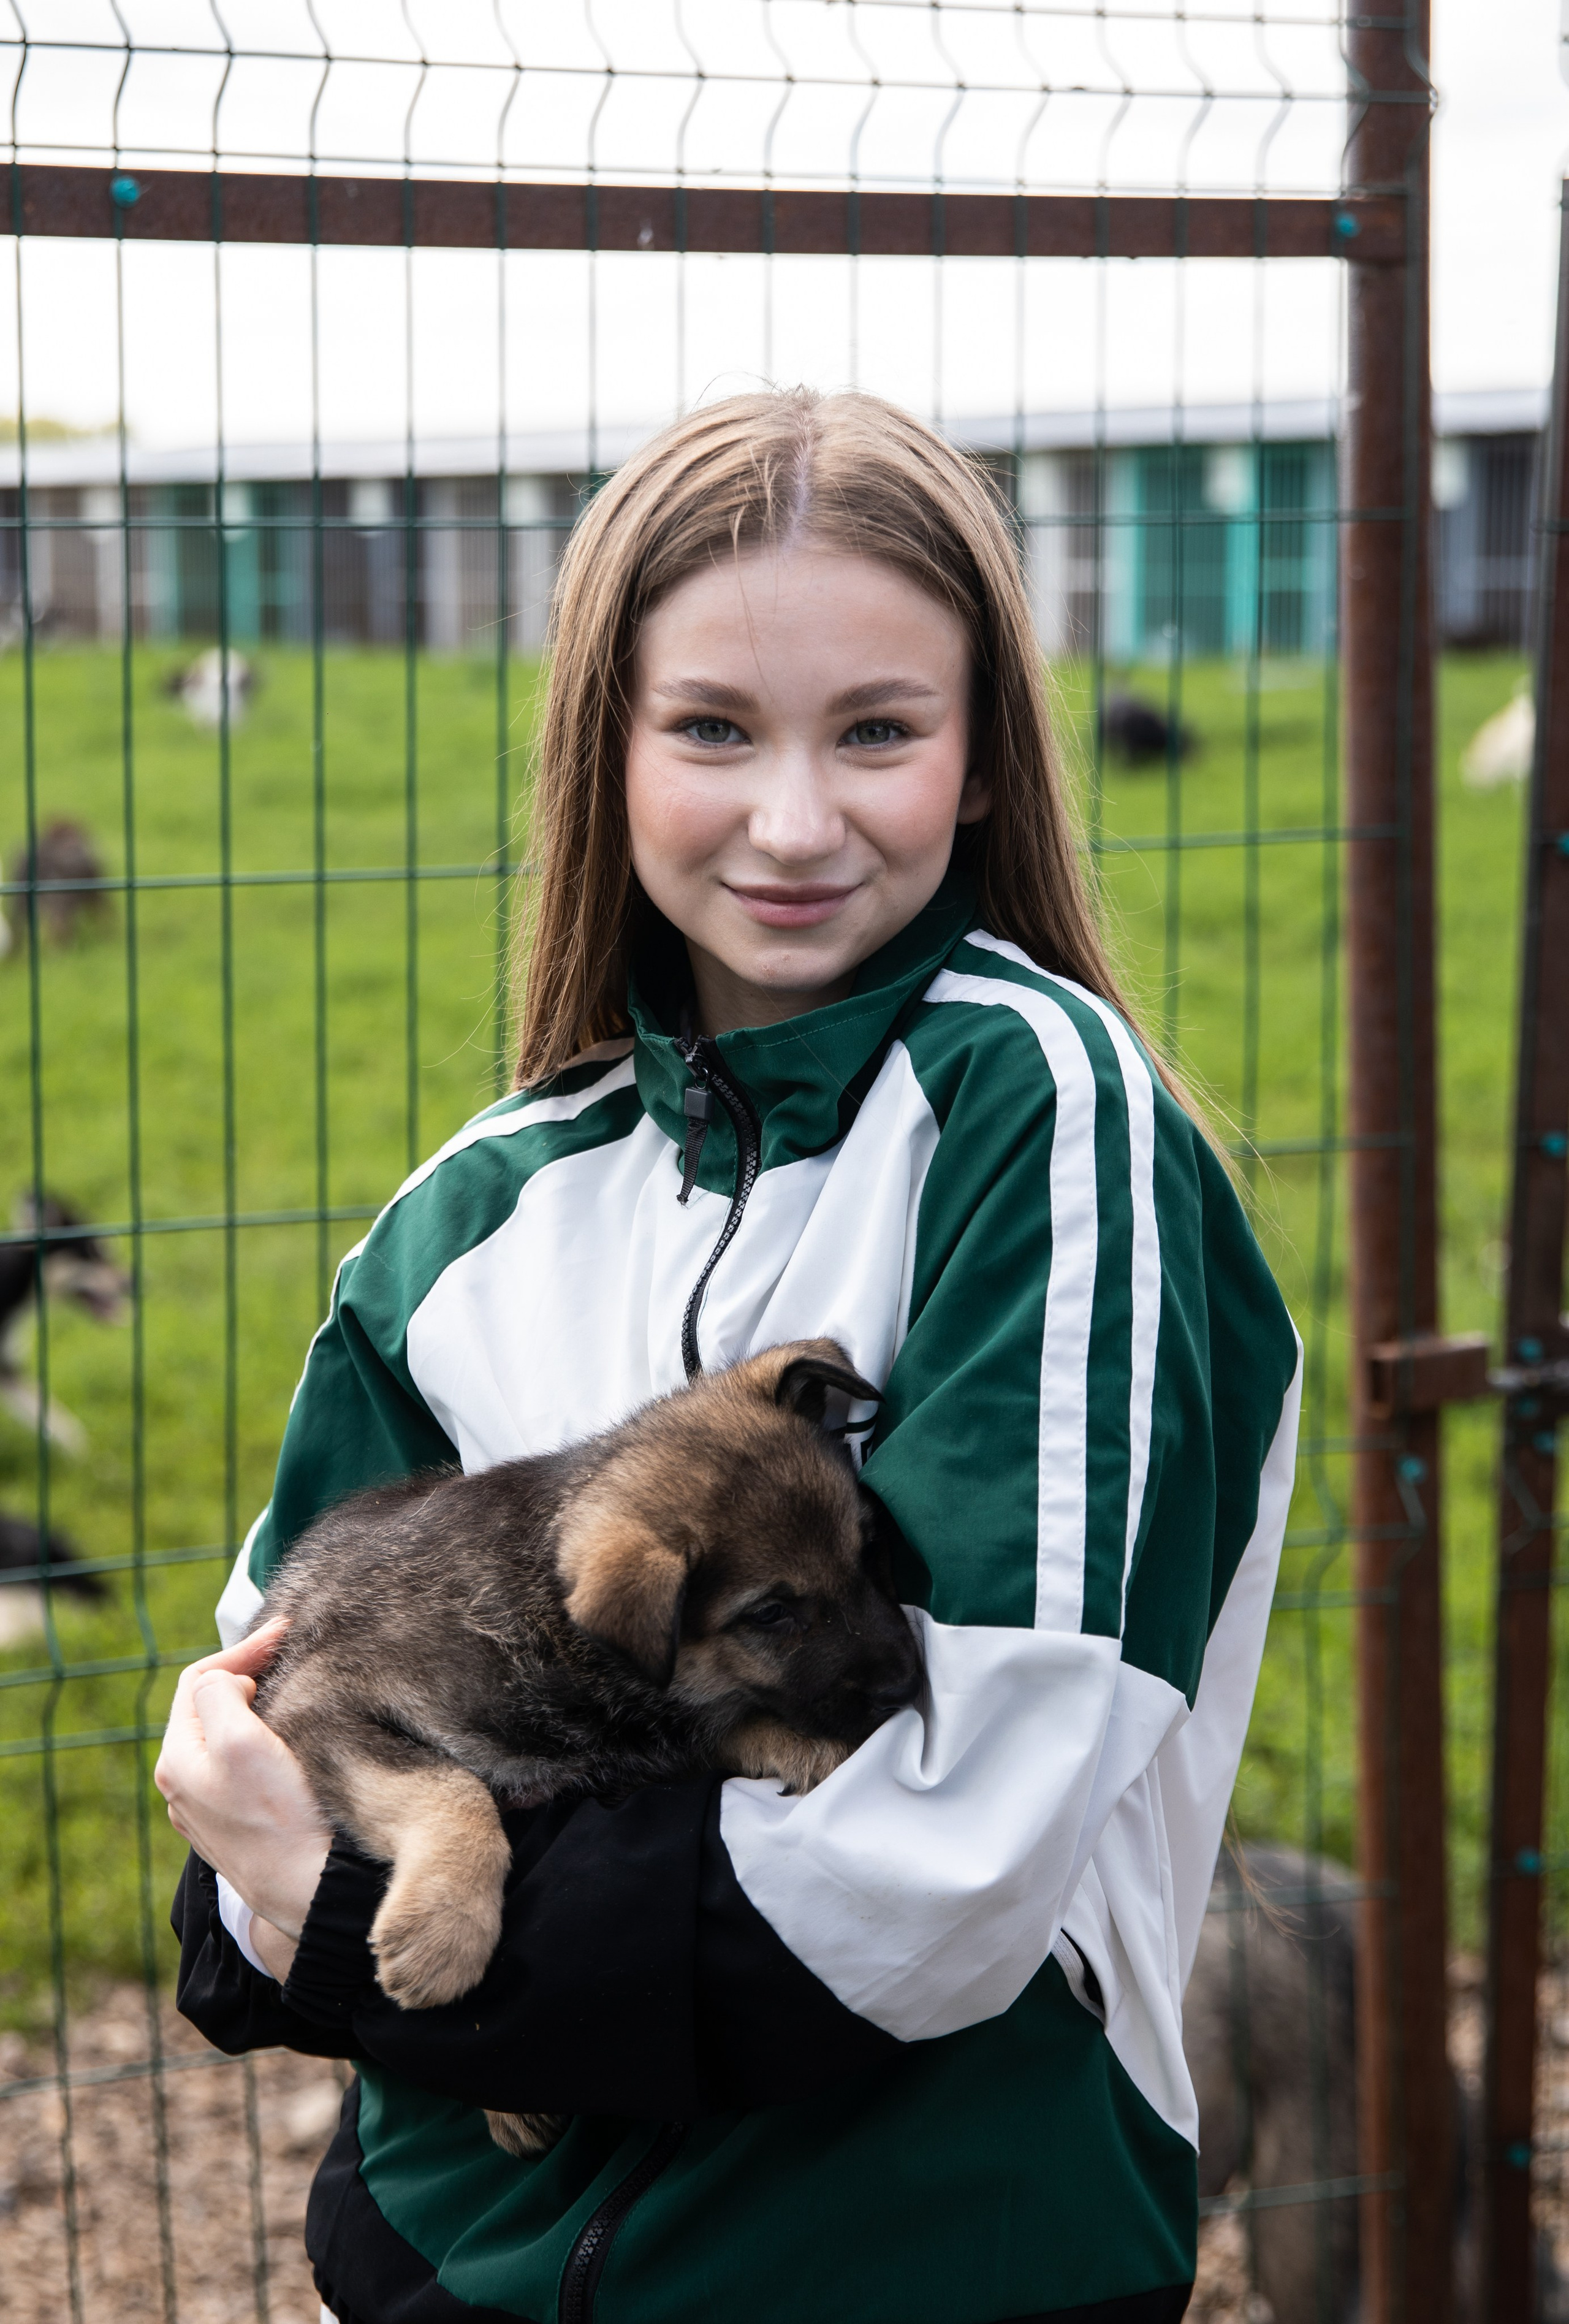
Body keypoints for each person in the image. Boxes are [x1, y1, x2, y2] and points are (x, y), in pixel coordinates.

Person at [155, 387, 1301, 2324]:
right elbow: (248, 1773)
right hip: (454, 2263)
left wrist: (351, 1909)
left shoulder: (1047, 1126)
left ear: (986, 760)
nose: (793, 819)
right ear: (602, 750)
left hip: (917, 2261)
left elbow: (946, 1872)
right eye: (710, 729)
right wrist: (303, 1885)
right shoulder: (466, 1222)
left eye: (878, 730)